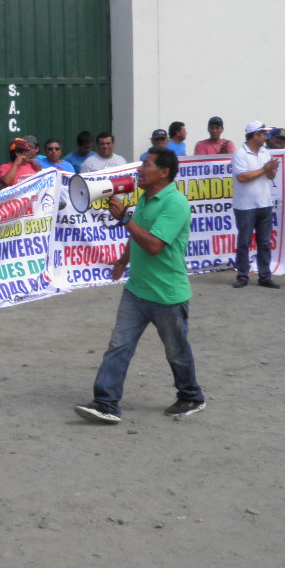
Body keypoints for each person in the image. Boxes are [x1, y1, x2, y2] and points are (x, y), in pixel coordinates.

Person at [74, 150, 204, 424]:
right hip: (137, 290)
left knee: (176, 351)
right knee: (118, 346)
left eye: (146, 164)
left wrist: (125, 220)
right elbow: (139, 236)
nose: (140, 169)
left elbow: (155, 245)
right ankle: (105, 403)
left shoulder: (175, 203)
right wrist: (123, 260)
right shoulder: (146, 198)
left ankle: (191, 395)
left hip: (167, 295)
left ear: (163, 172)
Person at [231, 121, 281, 289]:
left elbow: (270, 177)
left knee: (264, 242)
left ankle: (265, 276)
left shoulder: (265, 152)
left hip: (264, 203)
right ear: (255, 135)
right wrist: (265, 168)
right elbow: (242, 177)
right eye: (263, 134)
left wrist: (272, 169)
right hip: (245, 206)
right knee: (244, 241)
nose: (266, 137)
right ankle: (242, 275)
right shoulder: (240, 154)